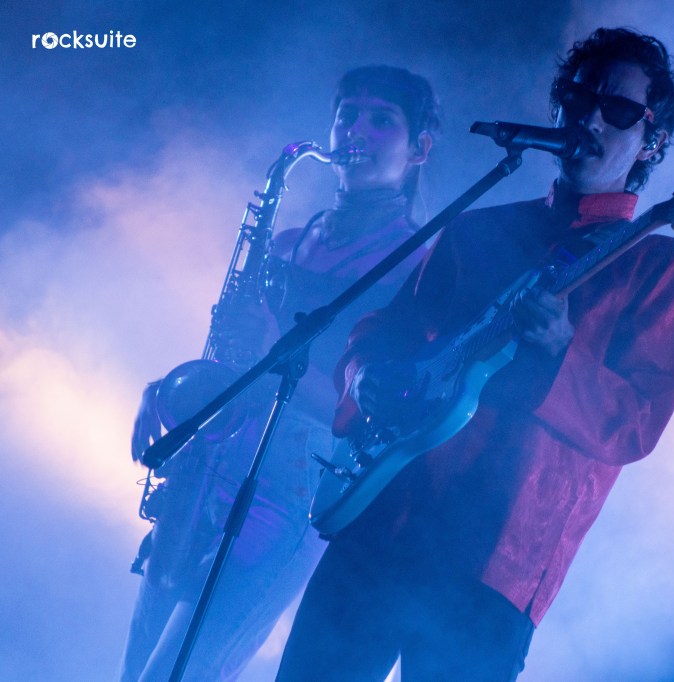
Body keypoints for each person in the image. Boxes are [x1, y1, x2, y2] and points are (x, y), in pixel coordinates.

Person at [278, 28, 674, 681]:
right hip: (383, 517)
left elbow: (635, 425)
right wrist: (364, 378)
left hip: (495, 570)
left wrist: (561, 354)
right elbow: (383, 329)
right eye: (578, 97)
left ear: (652, 139)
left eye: (618, 109)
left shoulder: (658, 267)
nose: (590, 117)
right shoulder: (478, 228)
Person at [119, 65, 440, 681]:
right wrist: (165, 391)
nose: (357, 130)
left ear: (419, 148)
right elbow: (229, 358)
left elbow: (365, 419)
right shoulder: (289, 241)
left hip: (289, 490)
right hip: (210, 470)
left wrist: (273, 351)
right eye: (348, 113)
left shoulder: (416, 267)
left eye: (382, 120)